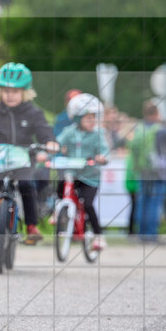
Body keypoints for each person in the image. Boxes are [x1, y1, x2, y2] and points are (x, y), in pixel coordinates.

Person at [0, 63, 58, 245]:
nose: (10, 96)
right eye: (6, 91)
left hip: (24, 158)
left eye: (15, 92)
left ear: (25, 92)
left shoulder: (33, 112)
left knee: (27, 186)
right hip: (1, 157)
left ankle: (31, 226)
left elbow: (44, 130)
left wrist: (50, 142)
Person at [56, 93, 110, 250]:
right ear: (78, 119)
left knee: (88, 204)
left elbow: (105, 150)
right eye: (87, 118)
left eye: (93, 118)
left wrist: (102, 157)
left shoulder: (98, 134)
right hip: (73, 173)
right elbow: (57, 144)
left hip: (90, 177)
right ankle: (60, 212)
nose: (92, 121)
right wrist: (50, 150)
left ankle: (98, 236)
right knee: (61, 186)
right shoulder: (69, 132)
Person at [128, 101, 166, 241]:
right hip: (157, 171)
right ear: (156, 113)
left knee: (142, 202)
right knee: (154, 202)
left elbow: (133, 149)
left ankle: (141, 234)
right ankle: (152, 234)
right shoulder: (160, 130)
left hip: (141, 170)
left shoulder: (138, 129)